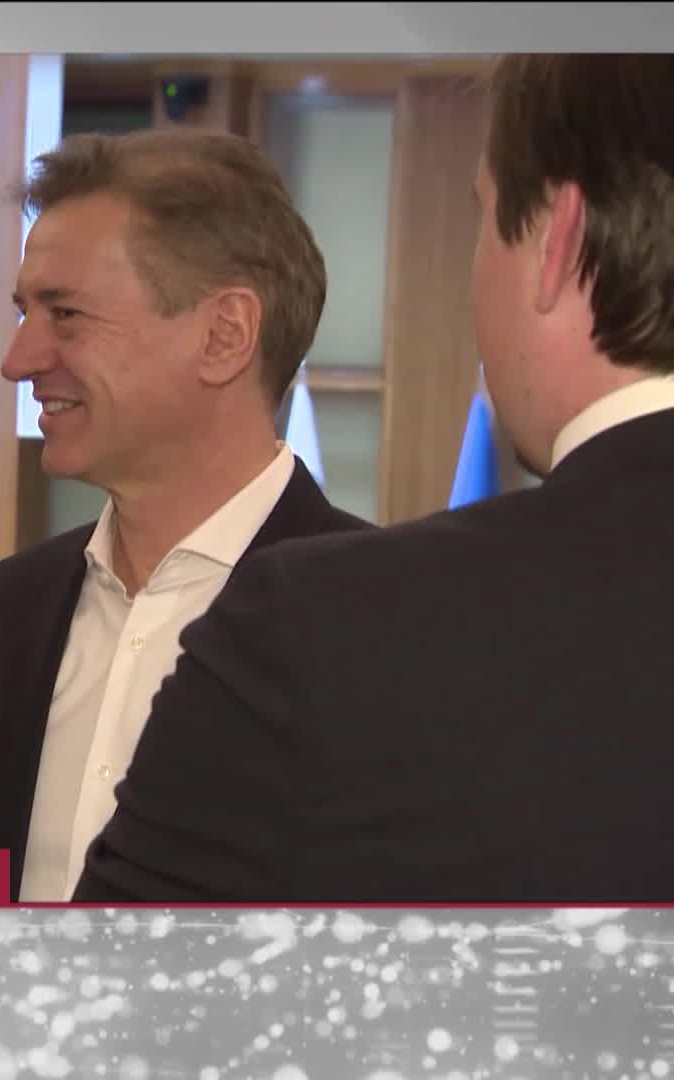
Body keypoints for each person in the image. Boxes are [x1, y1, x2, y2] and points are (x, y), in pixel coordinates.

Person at [74, 54, 674, 903]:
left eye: (484, 217)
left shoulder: (315, 631)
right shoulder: (7, 607)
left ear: (558, 244)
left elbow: (98, 977)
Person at [0, 127, 370, 901]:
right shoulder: (4, 609)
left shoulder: (382, 623)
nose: (17, 360)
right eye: (23, 312)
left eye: (66, 314)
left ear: (224, 335)